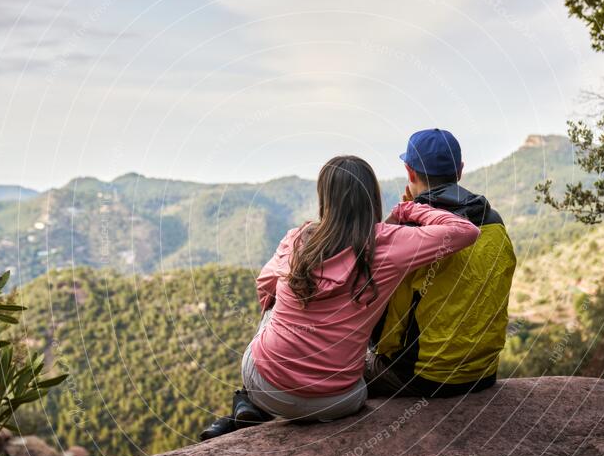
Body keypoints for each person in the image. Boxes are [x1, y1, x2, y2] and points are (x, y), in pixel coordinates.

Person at [200, 154, 480, 440]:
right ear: (372, 195)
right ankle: (261, 402)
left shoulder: (297, 239)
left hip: (266, 387)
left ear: (325, 198)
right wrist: (411, 208)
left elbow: (265, 285)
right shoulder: (389, 243)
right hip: (337, 401)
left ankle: (250, 402)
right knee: (359, 376)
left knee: (273, 300)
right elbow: (465, 230)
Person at [365, 129, 517, 398]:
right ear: (459, 171)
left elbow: (386, 323)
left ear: (409, 173)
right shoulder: (494, 222)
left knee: (328, 372)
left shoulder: (412, 233)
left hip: (421, 376)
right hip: (482, 374)